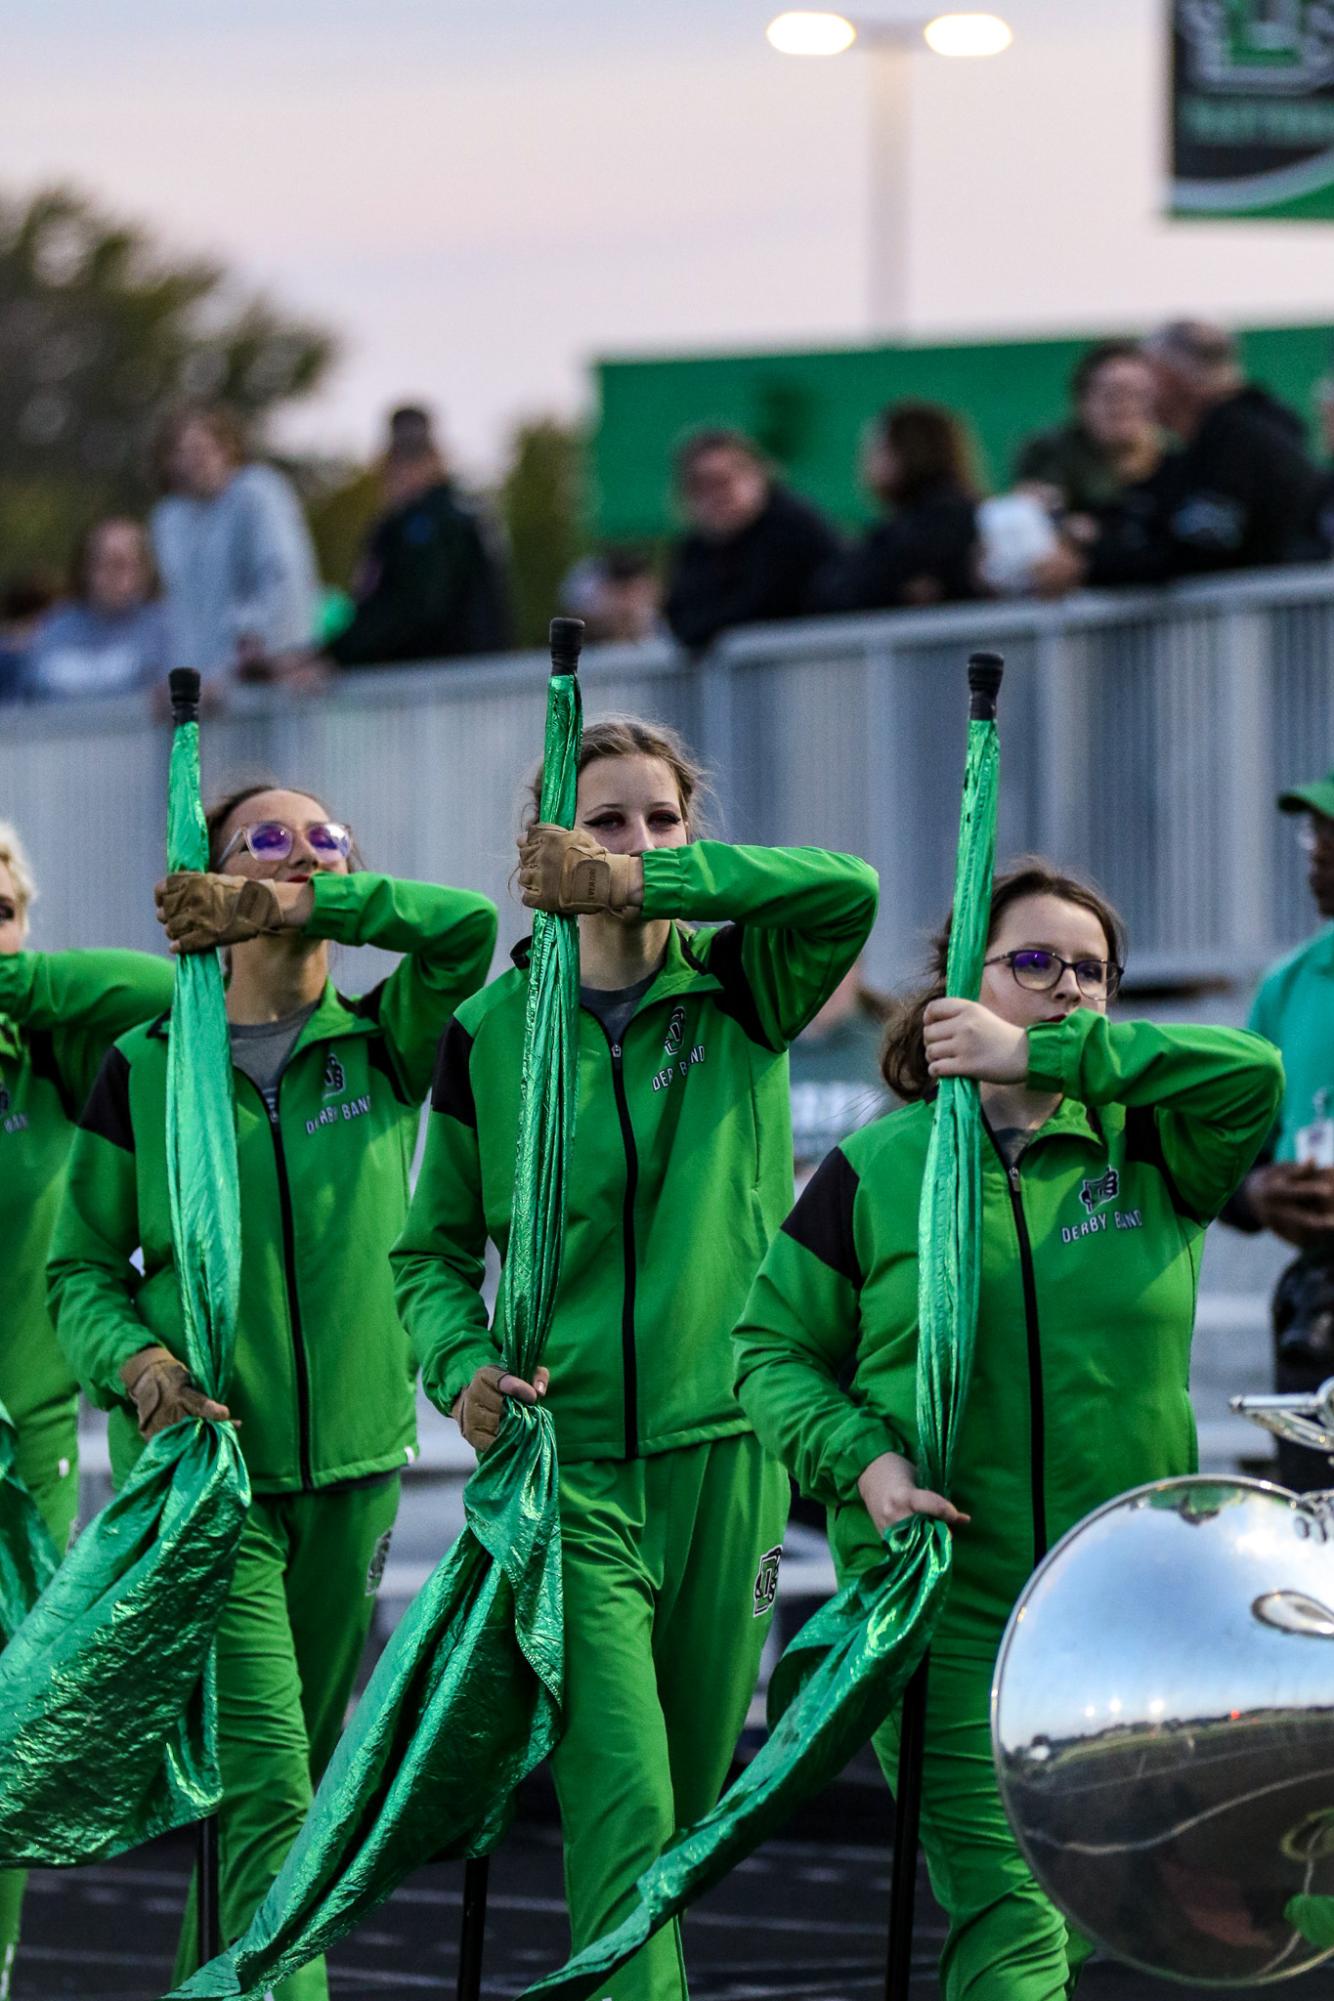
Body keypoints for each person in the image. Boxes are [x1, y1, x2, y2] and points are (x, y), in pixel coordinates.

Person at [733, 859, 1282, 2001]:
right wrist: (865, 1462)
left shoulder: (1154, 1146)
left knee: (1081, 1912)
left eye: (1092, 971)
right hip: (945, 1602)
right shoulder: (875, 1171)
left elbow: (1252, 1072)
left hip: (1123, 1610)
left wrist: (1039, 1054)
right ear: (956, 985)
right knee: (1013, 1907)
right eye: (1033, 963)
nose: (1069, 986)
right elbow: (767, 1355)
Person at [392, 716, 879, 2001]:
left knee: (688, 1811)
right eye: (605, 821)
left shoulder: (741, 988)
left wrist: (642, 886)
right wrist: (458, 1369)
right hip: (573, 1478)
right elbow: (426, 1257)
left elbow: (848, 892)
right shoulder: (489, 1030)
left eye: (662, 819)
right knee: (622, 1802)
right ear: (539, 846)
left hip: (730, 1460)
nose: (639, 841)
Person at [48, 785, 498, 2001]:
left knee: (282, 1794)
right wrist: (135, 1361)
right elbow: (82, 1270)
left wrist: (312, 894)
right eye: (273, 840)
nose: (309, 857)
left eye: (331, 842)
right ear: (207, 881)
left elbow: (461, 927)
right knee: (275, 1796)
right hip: (215, 1478)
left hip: (355, 1472)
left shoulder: (389, 1037)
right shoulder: (147, 1067)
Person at [0, 820, 174, 1997]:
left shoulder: (47, 1044)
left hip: (24, 1451)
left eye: (2, 906)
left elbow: (165, 988)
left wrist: (16, 974)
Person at [1223, 770, 1334, 1492]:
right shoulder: (1288, 986)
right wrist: (1259, 1193)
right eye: (1313, 833)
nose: (1317, 852)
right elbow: (1220, 1156)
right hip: (1318, 1312)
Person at [1083, 321, 1327, 587]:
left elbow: (1194, 553)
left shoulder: (1236, 440)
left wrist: (1085, 567)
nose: (1143, 392)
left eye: (1148, 375)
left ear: (1169, 377)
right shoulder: (1231, 435)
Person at [325, 404, 512, 667]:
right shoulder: (463, 516)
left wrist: (334, 657)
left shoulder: (427, 524)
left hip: (439, 685)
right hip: (463, 679)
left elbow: (409, 609)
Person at [150, 405, 321, 692]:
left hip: (269, 674)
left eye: (202, 449)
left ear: (226, 449)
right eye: (183, 452)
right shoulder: (169, 518)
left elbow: (284, 578)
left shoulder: (259, 492)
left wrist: (250, 651)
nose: (195, 462)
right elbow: (179, 611)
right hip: (206, 687)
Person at [663, 429, 842, 651]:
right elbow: (681, 618)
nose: (716, 496)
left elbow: (765, 604)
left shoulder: (791, 526)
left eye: (724, 481)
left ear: (756, 475)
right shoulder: (696, 548)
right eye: (702, 486)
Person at [811, 402, 980, 613]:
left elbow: (844, 591)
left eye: (876, 449)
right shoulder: (921, 519)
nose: (865, 462)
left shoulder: (936, 521)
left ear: (906, 450)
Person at [1013, 341, 1163, 520]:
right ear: (1082, 400)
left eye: (1136, 394)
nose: (1124, 406)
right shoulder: (1050, 452)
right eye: (1111, 394)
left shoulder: (1174, 457)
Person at [23, 519, 168, 701]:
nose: (109, 575)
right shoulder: (54, 629)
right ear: (83, 569)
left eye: (120, 564)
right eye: (99, 563)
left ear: (146, 571)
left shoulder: (167, 631)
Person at [789, 959, 893, 1190]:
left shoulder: (896, 1047)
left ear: (858, 972)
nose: (824, 982)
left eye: (837, 967)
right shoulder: (756, 1056)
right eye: (808, 967)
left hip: (866, 1203)